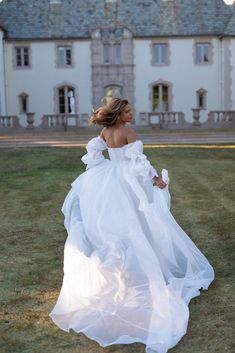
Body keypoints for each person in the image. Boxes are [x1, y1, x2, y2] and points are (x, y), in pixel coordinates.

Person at [50, 98, 214, 353]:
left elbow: (93, 156)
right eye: (127, 111)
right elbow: (139, 163)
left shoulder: (105, 132)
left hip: (108, 178)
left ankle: (124, 265)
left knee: (116, 223)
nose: (131, 113)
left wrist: (104, 166)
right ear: (118, 113)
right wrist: (156, 179)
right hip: (124, 181)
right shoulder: (128, 132)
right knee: (135, 221)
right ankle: (140, 264)